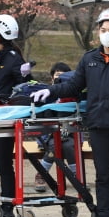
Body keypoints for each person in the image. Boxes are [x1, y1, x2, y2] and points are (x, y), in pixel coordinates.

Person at [31, 8, 109, 217]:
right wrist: (51, 91)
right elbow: (73, 85)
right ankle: (103, 216)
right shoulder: (89, 59)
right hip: (98, 124)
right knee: (102, 174)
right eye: (103, 30)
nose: (107, 34)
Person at [0, 14, 32, 217]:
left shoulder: (13, 58)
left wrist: (27, 75)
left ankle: (9, 203)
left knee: (2, 161)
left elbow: (24, 86)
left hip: (5, 115)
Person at [34, 62, 77, 193]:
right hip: (48, 134)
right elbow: (42, 118)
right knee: (55, 144)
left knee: (67, 145)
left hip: (69, 134)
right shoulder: (46, 94)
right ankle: (41, 174)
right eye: (57, 76)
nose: (60, 80)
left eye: (64, 77)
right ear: (52, 77)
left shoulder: (72, 95)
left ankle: (77, 176)